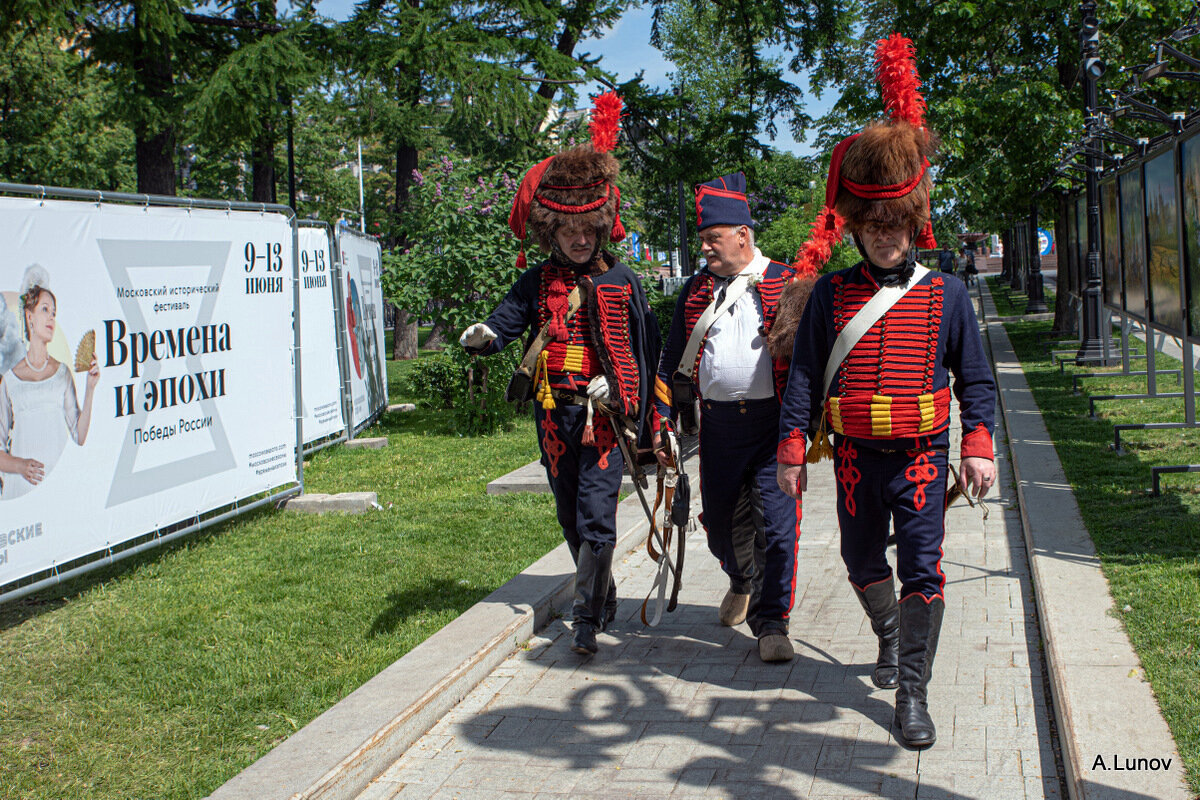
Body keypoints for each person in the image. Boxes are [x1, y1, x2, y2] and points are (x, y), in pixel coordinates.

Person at [773, 34, 996, 748]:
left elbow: (978, 378)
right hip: (854, 457)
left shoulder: (950, 294)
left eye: (896, 223)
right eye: (874, 224)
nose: (887, 236)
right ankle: (889, 632)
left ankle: (912, 692)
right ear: (857, 225)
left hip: (925, 454)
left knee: (922, 564)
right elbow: (806, 374)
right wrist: (789, 448)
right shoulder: (831, 294)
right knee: (862, 562)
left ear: (912, 221)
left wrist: (980, 444)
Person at [459, 93, 660, 656]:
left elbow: (646, 352)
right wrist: (486, 335)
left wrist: (624, 393)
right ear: (552, 231)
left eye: (586, 230)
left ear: (600, 227)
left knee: (598, 516)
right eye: (567, 230)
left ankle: (586, 616)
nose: (578, 238)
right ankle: (602, 588)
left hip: (603, 420)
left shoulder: (624, 280)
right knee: (569, 514)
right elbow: (505, 320)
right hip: (553, 417)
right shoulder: (537, 280)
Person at [651, 172, 806, 663]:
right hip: (717, 428)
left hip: (772, 426)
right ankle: (741, 578)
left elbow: (808, 362)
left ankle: (771, 622)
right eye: (702, 242)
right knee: (719, 524)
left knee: (778, 530)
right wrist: (660, 421)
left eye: (712, 240)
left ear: (743, 234)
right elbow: (671, 356)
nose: (706, 251)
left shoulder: (784, 282)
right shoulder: (696, 290)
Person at [0, 266, 101, 499]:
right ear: (29, 317)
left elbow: (80, 435)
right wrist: (21, 466)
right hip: (20, 488)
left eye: (54, 312)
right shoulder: (9, 381)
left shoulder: (62, 373)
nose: (51, 318)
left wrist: (90, 388)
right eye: (45, 309)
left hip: (56, 486)